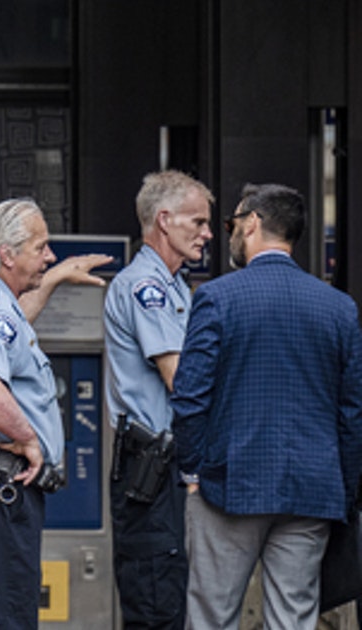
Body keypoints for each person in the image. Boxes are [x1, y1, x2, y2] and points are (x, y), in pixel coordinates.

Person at [171, 183, 362, 630]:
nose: (229, 234)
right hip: (312, 491)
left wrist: (193, 471)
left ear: (252, 223)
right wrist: (343, 491)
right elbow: (352, 412)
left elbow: (190, 397)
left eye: (233, 223)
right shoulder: (339, 308)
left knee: (212, 617)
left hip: (227, 485)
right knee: (293, 619)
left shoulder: (218, 298)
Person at [0, 197, 113, 629]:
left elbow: (12, 334)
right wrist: (30, 439)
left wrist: (51, 280)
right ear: (7, 255)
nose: (50, 255)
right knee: (5, 618)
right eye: (41, 248)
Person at [103, 170, 214, 629]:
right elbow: (180, 379)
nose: (208, 233)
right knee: (156, 603)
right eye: (198, 221)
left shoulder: (172, 285)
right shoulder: (144, 286)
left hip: (166, 464)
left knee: (173, 594)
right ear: (164, 221)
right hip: (150, 464)